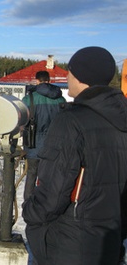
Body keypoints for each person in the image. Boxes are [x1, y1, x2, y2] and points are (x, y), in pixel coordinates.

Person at [22, 47, 127, 264]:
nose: (67, 77)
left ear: (81, 76)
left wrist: (29, 213)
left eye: (71, 71)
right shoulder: (121, 118)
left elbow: (53, 193)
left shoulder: (71, 121)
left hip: (69, 244)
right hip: (110, 242)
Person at [22, 70, 66, 201]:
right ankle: (46, 206)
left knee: (31, 176)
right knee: (49, 179)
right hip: (54, 147)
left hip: (33, 145)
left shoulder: (29, 99)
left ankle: (28, 206)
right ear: (49, 80)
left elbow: (21, 120)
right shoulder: (60, 99)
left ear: (37, 81)